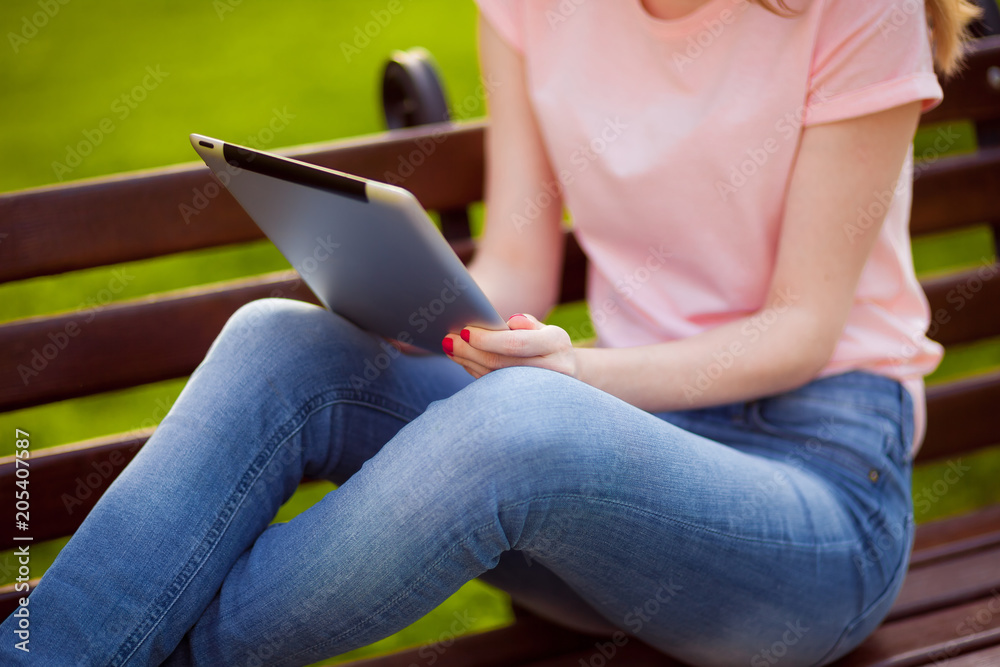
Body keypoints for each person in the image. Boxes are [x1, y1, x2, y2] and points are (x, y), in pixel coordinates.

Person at [0, 0, 982, 665]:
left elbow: (801, 331)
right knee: (280, 342)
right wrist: (415, 307)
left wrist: (576, 377)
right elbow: (516, 264)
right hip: (605, 497)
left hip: (814, 503)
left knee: (525, 423)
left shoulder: (860, 11)